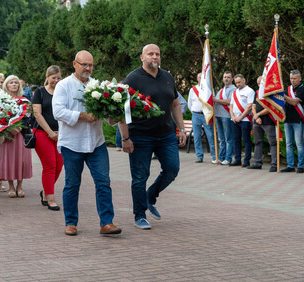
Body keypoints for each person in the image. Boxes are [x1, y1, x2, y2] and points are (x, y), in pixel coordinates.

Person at [52, 50, 121, 236]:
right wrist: (82, 116)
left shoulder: (98, 86)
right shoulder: (63, 85)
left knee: (103, 182)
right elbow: (58, 112)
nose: (88, 68)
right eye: (84, 64)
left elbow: (106, 113)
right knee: (72, 184)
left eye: (90, 65)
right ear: (74, 64)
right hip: (72, 144)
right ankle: (71, 222)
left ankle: (107, 223)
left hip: (96, 143)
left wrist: (115, 116)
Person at [118, 44, 186, 230]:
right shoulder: (132, 79)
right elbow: (120, 110)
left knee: (172, 169)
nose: (154, 57)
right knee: (140, 177)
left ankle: (151, 196)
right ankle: (139, 215)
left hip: (166, 135)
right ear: (142, 57)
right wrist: (125, 138)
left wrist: (181, 128)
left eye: (157, 54)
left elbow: (175, 104)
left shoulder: (167, 77)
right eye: (150, 54)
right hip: (140, 136)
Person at [0, 75, 33, 197]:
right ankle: (11, 186)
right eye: (11, 82)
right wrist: (10, 128)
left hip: (21, 134)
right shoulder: (1, 100)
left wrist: (19, 127)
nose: (14, 84)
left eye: (16, 82)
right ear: (6, 85)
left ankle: (20, 186)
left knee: (21, 160)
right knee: (9, 160)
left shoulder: (24, 101)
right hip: (8, 135)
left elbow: (28, 117)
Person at [32, 65, 63, 211]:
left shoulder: (62, 92)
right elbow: (37, 114)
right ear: (47, 77)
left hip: (61, 134)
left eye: (59, 78)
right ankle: (50, 198)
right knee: (50, 165)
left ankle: (45, 191)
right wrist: (50, 132)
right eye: (53, 78)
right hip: (43, 133)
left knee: (59, 166)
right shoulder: (40, 92)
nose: (56, 81)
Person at [247, 76, 278, 172]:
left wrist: (258, 114)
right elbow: (253, 105)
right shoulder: (257, 93)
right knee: (257, 142)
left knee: (272, 143)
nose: (260, 85)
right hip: (257, 121)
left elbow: (271, 107)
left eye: (261, 83)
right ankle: (257, 162)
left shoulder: (271, 93)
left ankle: (274, 164)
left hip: (268, 121)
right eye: (258, 83)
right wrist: (256, 116)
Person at [281, 70, 304, 173]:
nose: (292, 80)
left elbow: (294, 102)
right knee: (288, 144)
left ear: (300, 78)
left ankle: (300, 166)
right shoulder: (288, 89)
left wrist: (283, 95)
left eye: (295, 78)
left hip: (298, 120)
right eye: (291, 78)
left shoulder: (303, 89)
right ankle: (290, 165)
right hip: (287, 119)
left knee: (299, 144)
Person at [187, 73, 216, 163]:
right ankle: (199, 156)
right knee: (196, 136)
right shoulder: (193, 89)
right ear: (197, 78)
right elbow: (189, 103)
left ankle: (214, 156)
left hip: (206, 115)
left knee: (210, 135)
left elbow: (212, 102)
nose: (201, 79)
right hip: (196, 115)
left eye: (203, 77)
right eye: (200, 77)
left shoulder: (209, 89)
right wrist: (194, 111)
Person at [229, 74, 254, 167]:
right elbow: (231, 105)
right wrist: (232, 116)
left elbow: (249, 106)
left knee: (246, 140)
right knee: (236, 140)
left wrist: (240, 117)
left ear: (244, 80)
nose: (238, 84)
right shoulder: (234, 92)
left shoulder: (250, 91)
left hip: (245, 120)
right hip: (234, 119)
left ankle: (246, 160)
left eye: (239, 82)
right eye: (236, 83)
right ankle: (237, 159)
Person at [213, 71, 236, 165]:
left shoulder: (233, 89)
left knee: (228, 138)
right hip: (218, 116)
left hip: (226, 116)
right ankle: (221, 157)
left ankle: (228, 158)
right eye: (225, 77)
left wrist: (216, 100)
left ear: (232, 79)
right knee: (221, 139)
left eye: (228, 77)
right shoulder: (221, 90)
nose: (226, 78)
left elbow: (229, 101)